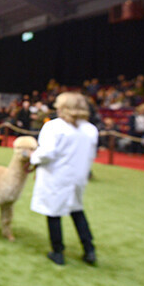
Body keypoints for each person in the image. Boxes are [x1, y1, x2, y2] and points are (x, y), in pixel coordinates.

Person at [29, 92, 99, 266]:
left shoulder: (55, 127)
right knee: (77, 210)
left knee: (53, 212)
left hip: (56, 176)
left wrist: (33, 158)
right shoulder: (90, 129)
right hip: (77, 177)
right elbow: (91, 155)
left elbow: (47, 152)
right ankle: (89, 249)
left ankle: (57, 251)